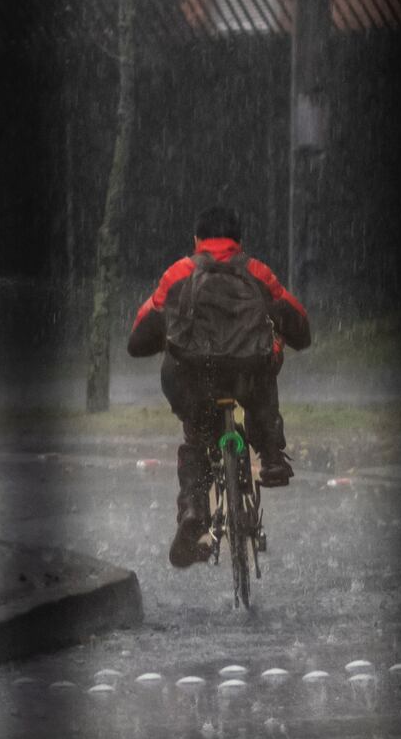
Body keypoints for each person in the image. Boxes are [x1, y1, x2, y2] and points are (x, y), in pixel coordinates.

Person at [128, 205, 310, 568]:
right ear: (239, 241)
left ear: (197, 240)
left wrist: (167, 336)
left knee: (197, 437)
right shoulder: (256, 272)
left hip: (195, 381)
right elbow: (300, 328)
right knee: (265, 364)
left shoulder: (179, 273)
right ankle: (271, 454)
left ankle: (194, 508)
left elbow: (137, 340)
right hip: (246, 376)